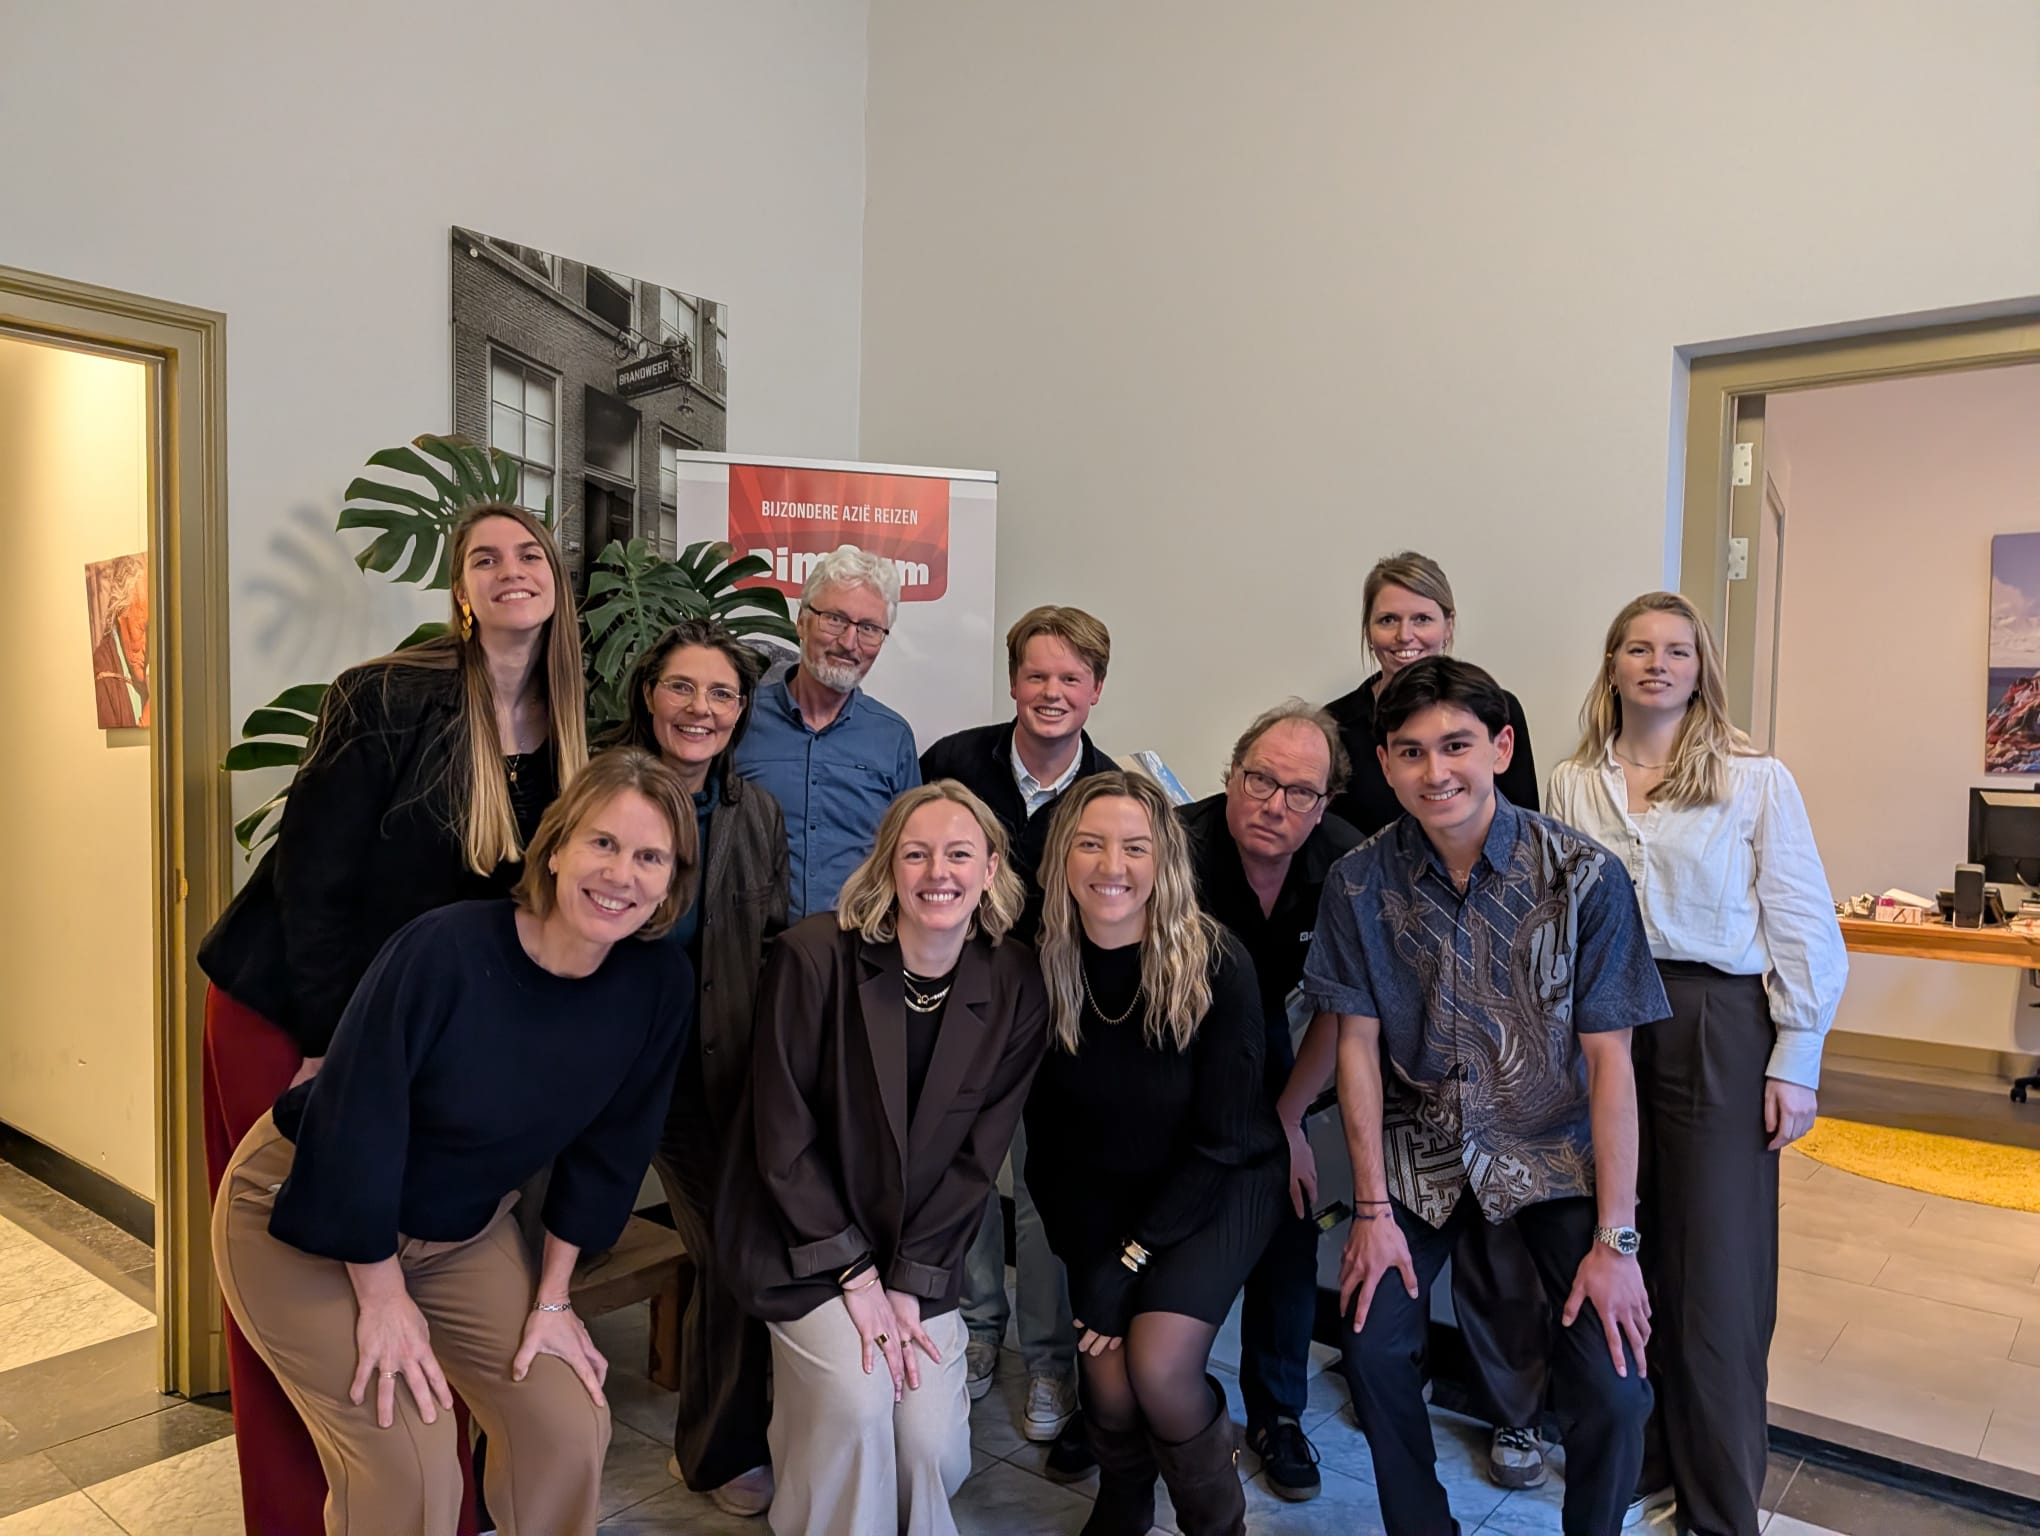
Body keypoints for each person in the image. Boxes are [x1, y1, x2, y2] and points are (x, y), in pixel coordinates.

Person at [196, 501, 587, 1533]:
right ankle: (303, 1515)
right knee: (307, 1273)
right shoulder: (385, 696)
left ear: (558, 581)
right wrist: (332, 1048)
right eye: (484, 558)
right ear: (461, 592)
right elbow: (314, 885)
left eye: (530, 553)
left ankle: (439, 1508)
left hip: (411, 1043)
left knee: (420, 1284)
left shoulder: (573, 734)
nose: (510, 570)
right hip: (295, 1016)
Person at [210, 748, 697, 1536]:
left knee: (567, 1423)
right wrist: (382, 1297)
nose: (621, 874)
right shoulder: (446, 950)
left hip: (460, 1233)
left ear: (672, 884)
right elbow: (355, 1127)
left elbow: (611, 1153)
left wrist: (553, 1300)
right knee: (414, 1460)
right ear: (556, 847)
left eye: (650, 858)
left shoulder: (657, 986)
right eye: (603, 843)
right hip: (305, 1216)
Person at [1305, 657, 1668, 1536]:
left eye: (1457, 746)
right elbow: (1355, 1047)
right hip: (1422, 1151)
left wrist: (1617, 1242)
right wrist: (1370, 1212)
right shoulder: (1357, 882)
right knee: (1371, 1343)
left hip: (1552, 1152)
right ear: (1385, 764)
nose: (1436, 772)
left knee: (1618, 1388)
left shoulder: (1584, 878)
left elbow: (1611, 1067)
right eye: (1412, 752)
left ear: (1501, 748)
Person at [1548, 592, 1846, 1536]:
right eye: (1638, 648)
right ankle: (1643, 1468)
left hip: (1717, 1020)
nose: (1657, 664)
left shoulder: (1755, 780)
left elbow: (1802, 920)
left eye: (1677, 650)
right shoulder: (1571, 784)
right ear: (1613, 665)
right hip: (1602, 1026)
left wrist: (1796, 1057)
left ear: (1700, 668)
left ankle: (1719, 1509)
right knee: (1623, 1242)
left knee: (1717, 1273)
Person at [716, 782, 1050, 1536]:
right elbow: (782, 1135)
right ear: (888, 865)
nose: (938, 872)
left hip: (917, 1251)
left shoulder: (1016, 980)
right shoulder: (812, 956)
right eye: (916, 854)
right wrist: (854, 1274)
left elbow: (977, 1161)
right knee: (859, 1402)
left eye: (959, 854)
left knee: (929, 1444)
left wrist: (908, 1280)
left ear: (990, 868)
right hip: (799, 1240)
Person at [1323, 549, 1553, 1488]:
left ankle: (1515, 1413)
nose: (1405, 634)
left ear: (1449, 626)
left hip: (1496, 1006)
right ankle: (1392, 1372)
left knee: (1501, 1236)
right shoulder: (1338, 725)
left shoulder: (1490, 707)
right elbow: (1330, 845)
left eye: (1422, 618)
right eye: (1388, 619)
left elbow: (1521, 842)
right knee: (1391, 1207)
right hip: (1386, 987)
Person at [1027, 771, 1286, 1536]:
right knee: (1106, 1377)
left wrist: (1130, 1260)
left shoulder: (1216, 963)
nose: (1113, 866)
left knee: (1159, 1368)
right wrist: (1091, 1264)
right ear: (1062, 857)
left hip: (1221, 1182)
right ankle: (1124, 1500)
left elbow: (1224, 1140)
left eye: (1135, 847)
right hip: (1102, 1193)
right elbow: (1048, 1143)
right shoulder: (1039, 963)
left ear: (1164, 860)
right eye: (1091, 844)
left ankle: (1216, 1524)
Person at [920, 605, 1115, 1468]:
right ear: (1012, 681)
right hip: (954, 1010)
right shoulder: (952, 764)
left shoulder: (1109, 793)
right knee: (961, 1174)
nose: (1051, 691)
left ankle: (1047, 1362)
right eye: (1037, 674)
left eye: (1071, 677)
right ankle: (972, 1331)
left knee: (1043, 1193)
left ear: (1097, 690)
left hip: (1061, 1021)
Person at [620, 619, 790, 1518]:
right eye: (682, 686)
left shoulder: (755, 813)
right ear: (649, 695)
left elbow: (772, 941)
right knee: (521, 1247)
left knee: (737, 1245)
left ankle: (721, 1445)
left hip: (714, 1069)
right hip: (609, 1068)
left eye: (722, 692)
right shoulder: (602, 794)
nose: (701, 708)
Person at [1179, 703, 1362, 1503]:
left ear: (1324, 805)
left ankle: (1277, 1413)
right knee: (1164, 1220)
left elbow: (1342, 1008)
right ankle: (1137, 1398)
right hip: (1179, 1057)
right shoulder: (1175, 848)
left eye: (1299, 792)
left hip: (1287, 1054)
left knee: (1291, 1213)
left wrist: (1287, 1122)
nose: (1273, 804)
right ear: (1231, 776)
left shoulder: (1348, 864)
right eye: (1259, 780)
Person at [736, 544, 921, 919]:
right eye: (835, 619)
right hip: (750, 944)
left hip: (855, 944)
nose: (849, 643)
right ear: (801, 621)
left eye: (869, 629)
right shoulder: (740, 719)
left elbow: (911, 852)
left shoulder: (893, 738)